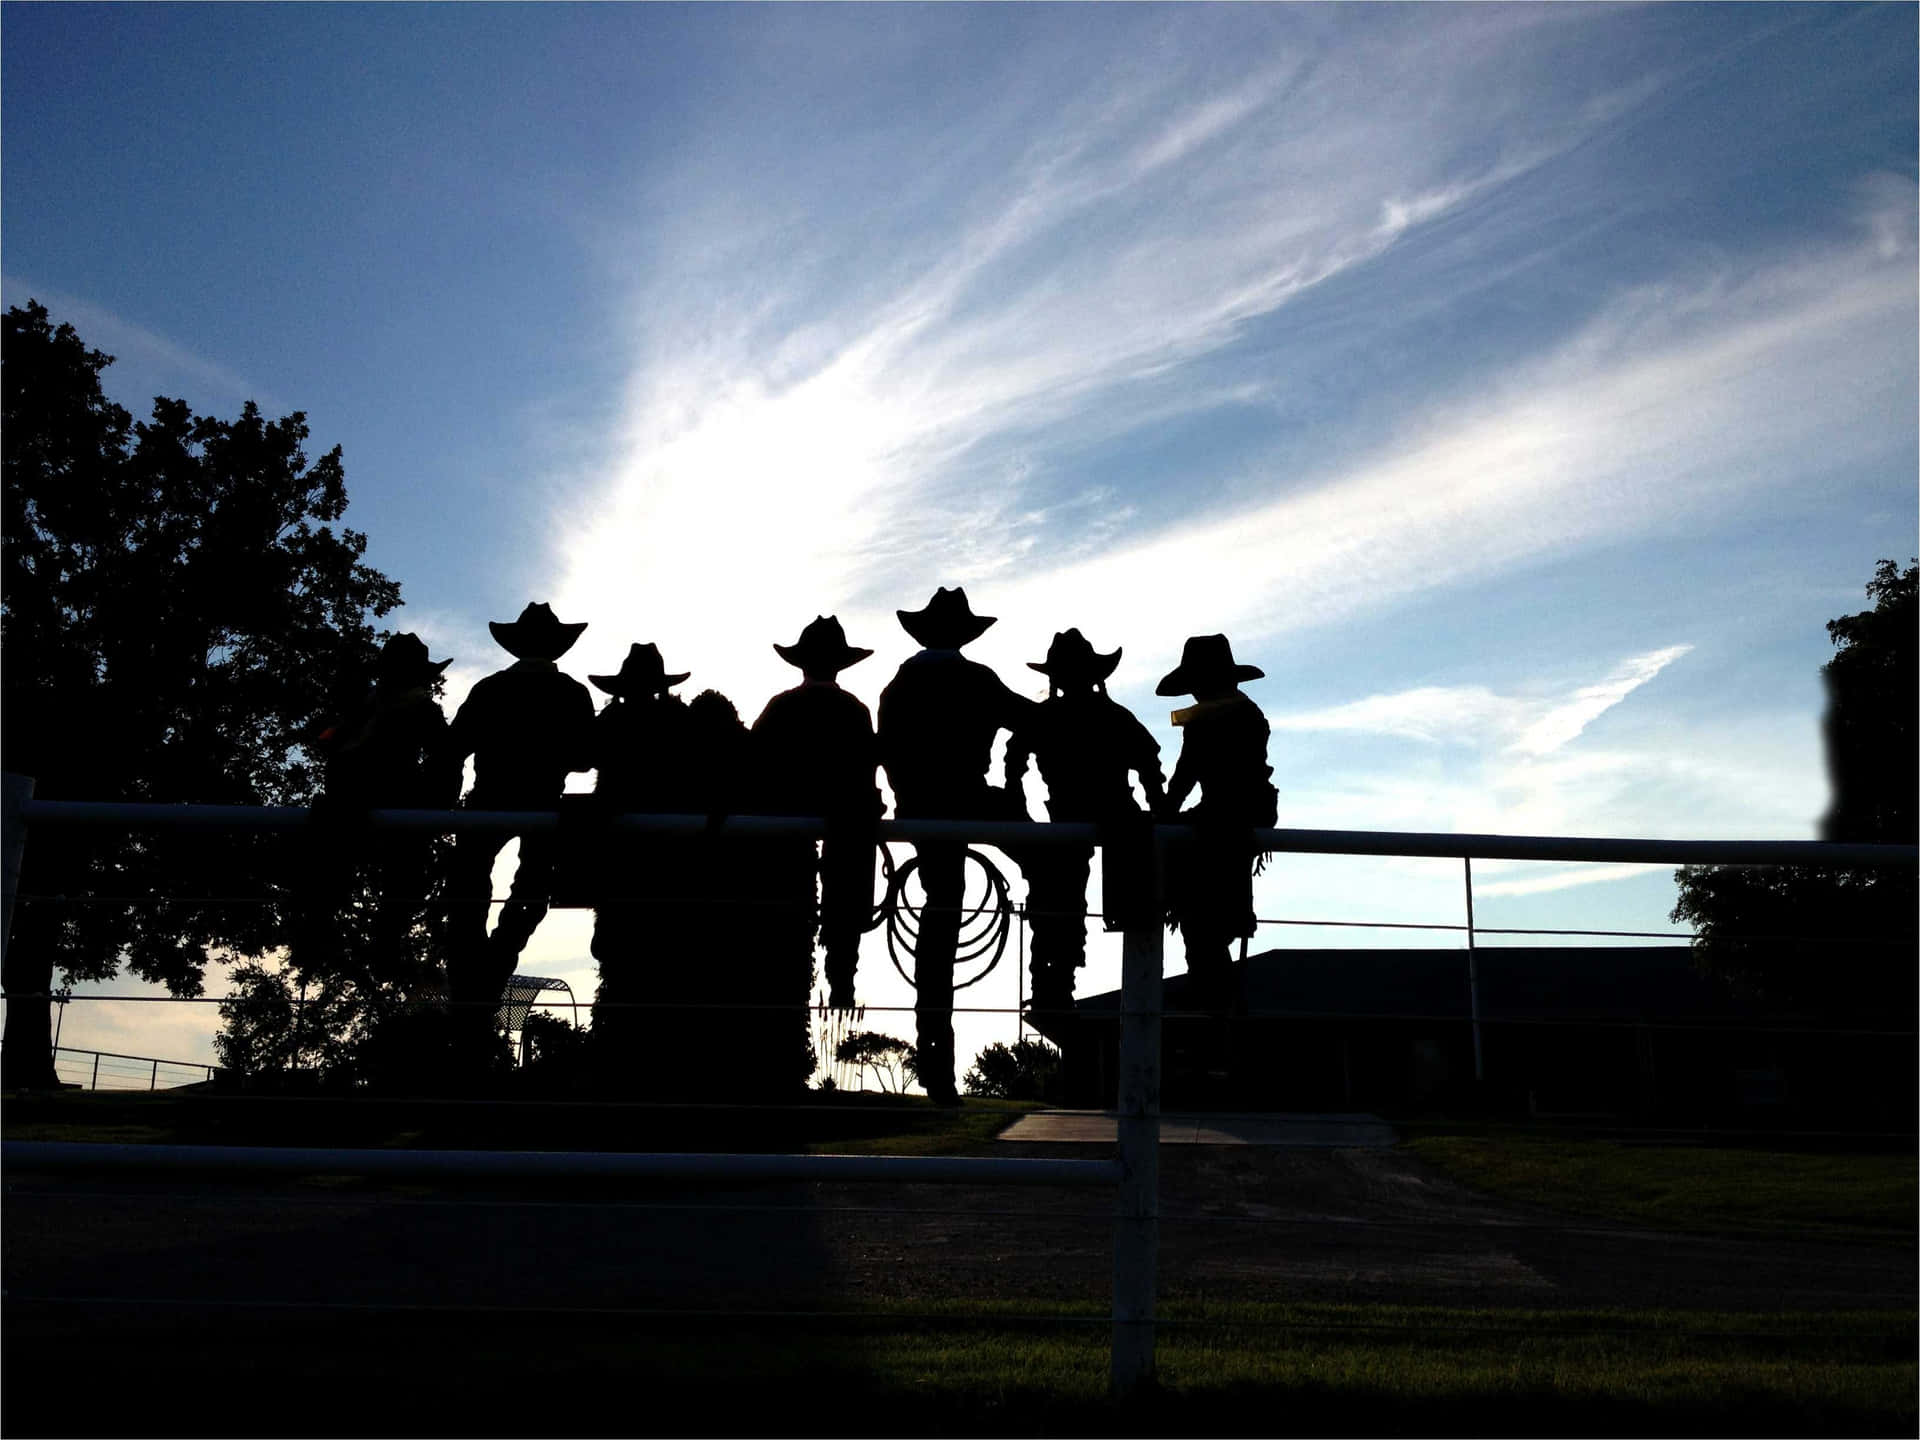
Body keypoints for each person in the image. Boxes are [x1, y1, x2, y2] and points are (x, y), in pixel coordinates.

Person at [877, 587, 1034, 1104]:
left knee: (940, 914)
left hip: (921, 808)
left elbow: (887, 751)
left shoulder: (899, 685)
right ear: (964, 635)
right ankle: (1052, 960)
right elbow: (1033, 720)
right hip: (970, 797)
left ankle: (935, 1059)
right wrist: (1013, 770)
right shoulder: (978, 680)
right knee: (1047, 858)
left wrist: (906, 798)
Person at [441, 602, 595, 1066]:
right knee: (530, 893)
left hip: (485, 802)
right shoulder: (571, 692)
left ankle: (475, 987)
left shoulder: (490, 687)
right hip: (543, 806)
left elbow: (454, 746)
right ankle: (492, 971)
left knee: (467, 894)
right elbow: (586, 757)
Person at [1003, 628, 1164, 1020]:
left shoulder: (1043, 717)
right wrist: (1159, 808)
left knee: (1059, 900)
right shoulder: (1114, 716)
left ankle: (1053, 986)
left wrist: (1017, 803)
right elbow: (1149, 762)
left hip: (1071, 818)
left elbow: (1013, 759)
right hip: (1117, 817)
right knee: (1094, 900)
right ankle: (1056, 985)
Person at [300, 631, 459, 996]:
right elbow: (446, 761)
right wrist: (439, 807)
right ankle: (373, 940)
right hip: (382, 799)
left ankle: (327, 932)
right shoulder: (405, 708)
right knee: (401, 873)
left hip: (356, 799)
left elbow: (324, 742)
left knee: (345, 868)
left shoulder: (380, 706)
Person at [752, 615, 882, 1012]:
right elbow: (866, 768)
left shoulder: (781, 707)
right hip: (848, 821)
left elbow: (753, 762)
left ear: (802, 664)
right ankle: (842, 974)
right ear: (839, 665)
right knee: (850, 883)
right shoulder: (855, 711)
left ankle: (790, 978)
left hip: (786, 823)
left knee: (787, 910)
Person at [583, 642, 692, 1088]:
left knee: (616, 949)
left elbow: (584, 757)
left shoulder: (612, 720)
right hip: (666, 856)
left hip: (618, 854)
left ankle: (619, 1054)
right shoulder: (678, 722)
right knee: (661, 950)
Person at [1153, 633, 1276, 1015]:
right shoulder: (1250, 712)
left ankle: (1212, 999)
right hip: (1250, 814)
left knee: (1198, 917)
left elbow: (1185, 773)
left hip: (1219, 818)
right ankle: (1220, 997)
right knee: (1220, 915)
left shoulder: (1206, 719)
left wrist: (1164, 813)